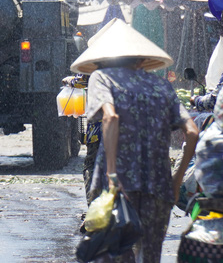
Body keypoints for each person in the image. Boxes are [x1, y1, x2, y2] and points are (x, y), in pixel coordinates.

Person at [71, 19, 198, 262]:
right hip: (158, 183)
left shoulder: (102, 77)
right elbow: (192, 131)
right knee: (149, 256)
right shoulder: (160, 85)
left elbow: (110, 117)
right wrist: (176, 180)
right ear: (140, 60)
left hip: (117, 183)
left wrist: (112, 175)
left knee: (114, 253)